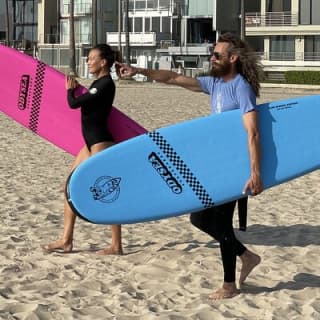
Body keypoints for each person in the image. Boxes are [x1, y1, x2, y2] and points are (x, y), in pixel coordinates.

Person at [117, 32, 263, 299]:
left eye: (217, 55)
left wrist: (255, 173)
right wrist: (138, 70)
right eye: (213, 53)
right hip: (217, 165)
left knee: (219, 221)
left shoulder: (241, 87)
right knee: (199, 218)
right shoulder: (214, 84)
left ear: (232, 58)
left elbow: (253, 132)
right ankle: (246, 256)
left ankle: (230, 284)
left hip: (235, 166)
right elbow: (173, 78)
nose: (212, 58)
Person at [43, 44, 123, 255]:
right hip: (89, 145)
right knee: (68, 188)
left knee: (108, 196)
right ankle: (66, 240)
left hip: (101, 144)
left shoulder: (106, 84)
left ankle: (116, 245)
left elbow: (74, 104)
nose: (88, 61)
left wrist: (70, 90)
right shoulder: (98, 84)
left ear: (103, 62)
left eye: (91, 58)